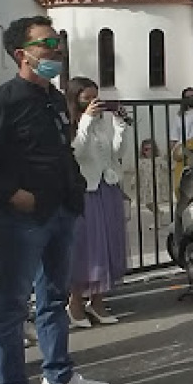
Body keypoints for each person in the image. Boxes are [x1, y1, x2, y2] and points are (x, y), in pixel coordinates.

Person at [0, 16, 110, 384]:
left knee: (54, 298)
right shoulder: (4, 101)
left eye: (58, 42)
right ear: (22, 54)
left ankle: (58, 377)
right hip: (23, 217)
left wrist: (74, 189)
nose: (57, 50)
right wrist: (12, 194)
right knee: (12, 308)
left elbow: (62, 149)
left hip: (60, 211)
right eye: (48, 44)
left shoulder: (54, 98)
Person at [63, 77, 131, 329]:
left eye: (96, 97)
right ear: (75, 100)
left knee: (108, 246)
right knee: (87, 248)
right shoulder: (70, 124)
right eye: (87, 98)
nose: (93, 102)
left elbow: (116, 153)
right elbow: (76, 153)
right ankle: (75, 304)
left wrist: (120, 125)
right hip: (85, 191)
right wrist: (86, 120)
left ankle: (98, 301)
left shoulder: (102, 123)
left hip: (106, 187)